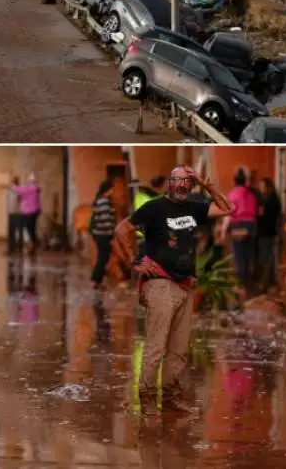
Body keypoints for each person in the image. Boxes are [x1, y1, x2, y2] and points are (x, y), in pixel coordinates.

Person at [114, 166, 234, 415]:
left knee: (179, 349)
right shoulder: (154, 207)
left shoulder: (194, 207)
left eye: (187, 181)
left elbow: (227, 209)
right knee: (156, 346)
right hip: (159, 283)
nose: (182, 185)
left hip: (185, 285)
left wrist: (207, 185)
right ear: (169, 182)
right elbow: (122, 229)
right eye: (178, 180)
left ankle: (170, 398)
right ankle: (147, 399)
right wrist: (133, 262)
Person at [223, 168, 258, 294]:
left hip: (239, 226)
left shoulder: (232, 194)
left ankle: (241, 287)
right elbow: (255, 213)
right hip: (252, 226)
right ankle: (249, 286)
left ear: (234, 181)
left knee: (239, 257)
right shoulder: (251, 195)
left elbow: (228, 214)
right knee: (249, 258)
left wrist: (223, 231)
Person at [255, 177, 281, 294]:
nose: (259, 188)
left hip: (267, 233)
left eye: (261, 185)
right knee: (265, 259)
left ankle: (264, 285)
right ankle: (266, 284)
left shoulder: (271, 200)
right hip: (265, 233)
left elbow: (266, 216)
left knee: (266, 260)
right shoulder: (267, 199)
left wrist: (260, 214)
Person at [89, 180, 117, 290]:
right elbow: (106, 220)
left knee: (103, 257)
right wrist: (112, 233)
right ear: (108, 190)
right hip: (103, 234)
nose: (113, 191)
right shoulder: (104, 202)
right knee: (103, 258)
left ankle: (97, 281)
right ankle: (95, 280)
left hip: (99, 234)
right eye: (112, 189)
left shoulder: (100, 200)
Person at [15, 173, 41, 254]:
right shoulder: (35, 188)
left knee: (29, 227)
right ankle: (34, 243)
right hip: (34, 211)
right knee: (31, 228)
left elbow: (17, 189)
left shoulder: (30, 188)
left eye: (32, 181)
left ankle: (34, 242)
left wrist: (12, 185)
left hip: (30, 212)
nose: (31, 182)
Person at [7, 176, 22, 255]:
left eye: (12, 181)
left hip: (18, 213)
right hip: (11, 213)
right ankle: (11, 248)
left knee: (19, 231)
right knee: (11, 231)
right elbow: (8, 201)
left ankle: (19, 248)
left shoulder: (19, 190)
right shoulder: (9, 191)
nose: (11, 183)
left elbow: (20, 200)